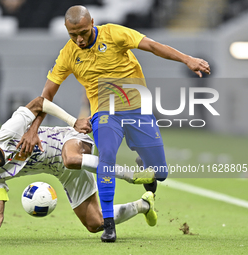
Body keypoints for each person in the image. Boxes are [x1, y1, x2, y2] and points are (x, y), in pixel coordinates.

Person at [16, 5, 211, 242]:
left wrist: (187, 59)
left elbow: (152, 46)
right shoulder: (68, 54)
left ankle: (146, 168)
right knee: (106, 156)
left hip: (138, 109)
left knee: (160, 173)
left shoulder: (114, 34)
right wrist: (33, 129)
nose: (79, 39)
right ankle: (109, 225)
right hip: (105, 114)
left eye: (84, 32)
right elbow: (46, 96)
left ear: (93, 23)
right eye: (72, 34)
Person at [0, 96, 157, 241]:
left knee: (70, 159)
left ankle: (136, 175)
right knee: (95, 223)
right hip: (64, 172)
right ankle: (144, 205)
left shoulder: (8, 132)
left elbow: (40, 102)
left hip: (69, 140)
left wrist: (73, 122)